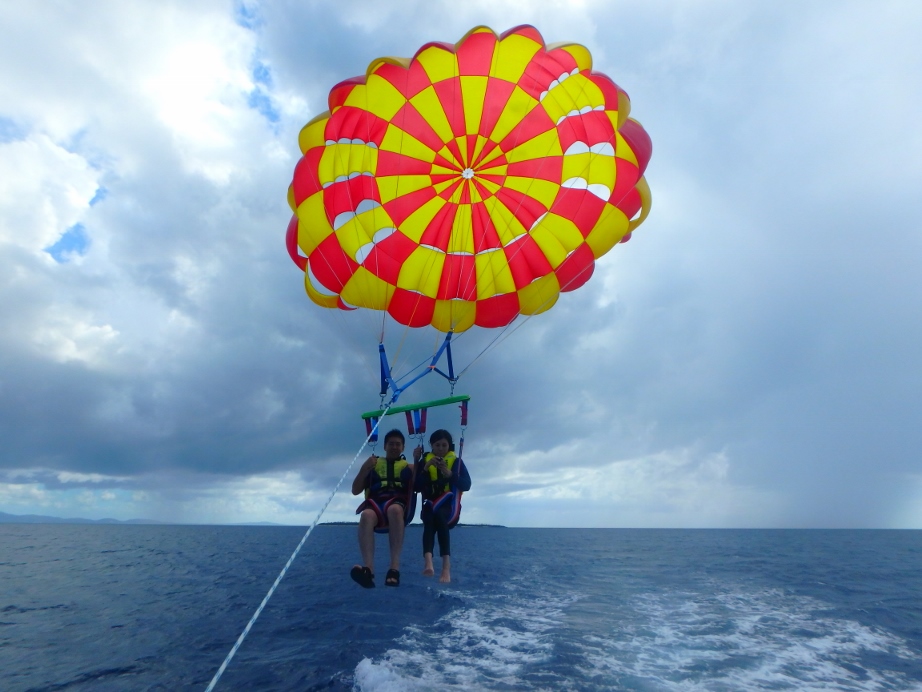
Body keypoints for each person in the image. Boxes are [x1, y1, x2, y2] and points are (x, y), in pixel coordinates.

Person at [350, 428, 414, 588]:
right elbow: (355, 490)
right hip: (376, 504)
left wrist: (419, 463)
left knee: (394, 510)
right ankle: (368, 570)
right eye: (391, 444)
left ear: (403, 448)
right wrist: (364, 468)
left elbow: (423, 483)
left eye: (398, 444)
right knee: (366, 515)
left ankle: (394, 568)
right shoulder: (373, 465)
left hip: (397, 503)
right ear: (385, 446)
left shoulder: (408, 468)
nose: (394, 447)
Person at [413, 429, 471, 583]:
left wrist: (450, 474)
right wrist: (425, 468)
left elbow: (466, 485)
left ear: (449, 446)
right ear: (431, 445)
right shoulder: (425, 461)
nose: (440, 449)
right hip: (429, 502)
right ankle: (428, 562)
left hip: (448, 504)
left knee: (438, 516)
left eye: (444, 445)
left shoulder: (456, 463)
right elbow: (416, 487)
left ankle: (446, 567)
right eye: (437, 445)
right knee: (429, 518)